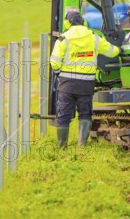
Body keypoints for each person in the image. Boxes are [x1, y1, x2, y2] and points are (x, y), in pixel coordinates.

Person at [50, 10, 120, 147]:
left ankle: (62, 145)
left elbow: (54, 62)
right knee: (85, 114)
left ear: (67, 23)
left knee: (63, 114)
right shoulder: (94, 38)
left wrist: (59, 73)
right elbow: (112, 52)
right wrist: (121, 48)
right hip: (86, 84)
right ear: (84, 23)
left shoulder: (63, 39)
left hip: (67, 85)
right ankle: (82, 145)